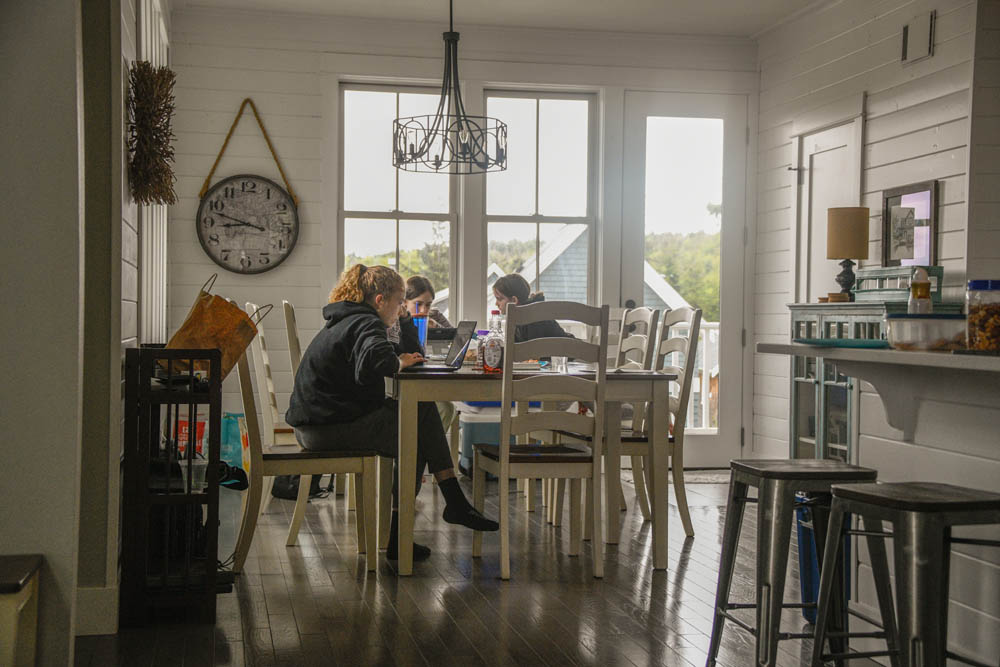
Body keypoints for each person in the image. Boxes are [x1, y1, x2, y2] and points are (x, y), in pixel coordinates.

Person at [285, 264, 498, 563]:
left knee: (417, 414)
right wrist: (397, 363)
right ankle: (438, 510)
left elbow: (399, 351)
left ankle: (428, 518)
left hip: (317, 424)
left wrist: (405, 322)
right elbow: (375, 360)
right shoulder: (366, 323)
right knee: (417, 420)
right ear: (380, 300)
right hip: (327, 428)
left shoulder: (348, 319)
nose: (401, 309)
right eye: (400, 303)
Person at [492, 273, 574, 341]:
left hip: (569, 355)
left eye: (499, 299)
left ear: (514, 300)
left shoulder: (534, 318)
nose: (496, 303)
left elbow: (533, 355)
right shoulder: (519, 317)